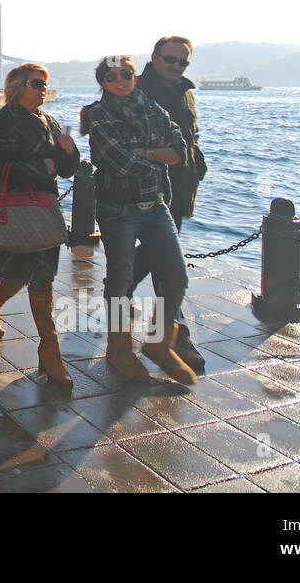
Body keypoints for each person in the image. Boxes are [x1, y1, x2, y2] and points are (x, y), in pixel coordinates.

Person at [80, 56, 195, 385]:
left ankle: (159, 344)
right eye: (111, 75)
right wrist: (155, 156)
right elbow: (120, 163)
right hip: (118, 208)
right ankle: (118, 348)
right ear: (102, 81)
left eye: (126, 74)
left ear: (133, 76)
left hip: (156, 204)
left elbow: (180, 150)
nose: (120, 79)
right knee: (120, 281)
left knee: (176, 275)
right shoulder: (99, 115)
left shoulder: (153, 108)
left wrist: (144, 152)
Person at [0, 63, 80, 388]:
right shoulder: (3, 120)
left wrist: (68, 152)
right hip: (18, 209)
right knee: (31, 276)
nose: (43, 88)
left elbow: (65, 171)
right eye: (37, 82)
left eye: (45, 83)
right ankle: (50, 349)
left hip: (45, 210)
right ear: (19, 86)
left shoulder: (50, 122)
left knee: (35, 277)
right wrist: (42, 165)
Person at [133, 36, 208, 371]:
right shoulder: (136, 90)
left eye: (183, 62)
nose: (176, 67)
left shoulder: (184, 90)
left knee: (148, 259)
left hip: (181, 186)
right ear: (155, 56)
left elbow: (190, 135)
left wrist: (198, 164)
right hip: (149, 190)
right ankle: (174, 335)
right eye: (170, 59)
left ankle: (117, 293)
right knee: (171, 266)